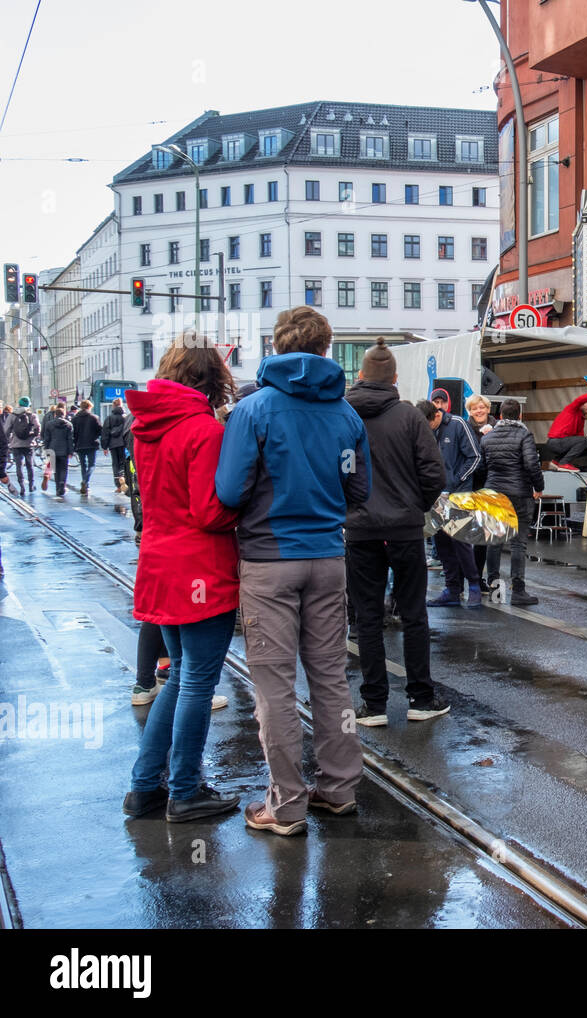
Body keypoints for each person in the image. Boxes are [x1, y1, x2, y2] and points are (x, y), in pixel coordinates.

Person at [216, 306, 370, 836]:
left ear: (276, 346)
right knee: (330, 675)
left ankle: (285, 806)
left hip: (268, 561)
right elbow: (358, 489)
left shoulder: (254, 410)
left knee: (274, 685)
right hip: (328, 559)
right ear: (327, 350)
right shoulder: (346, 415)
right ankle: (340, 789)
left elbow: (230, 491)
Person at [122, 336, 242, 822]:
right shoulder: (202, 430)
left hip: (158, 562)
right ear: (212, 378)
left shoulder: (146, 425)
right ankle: (186, 790)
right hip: (199, 568)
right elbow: (210, 512)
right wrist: (244, 496)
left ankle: (146, 785)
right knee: (195, 681)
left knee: (177, 679)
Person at [344, 339, 447, 727]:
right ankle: (421, 698)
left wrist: (349, 509)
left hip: (359, 530)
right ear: (396, 379)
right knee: (413, 612)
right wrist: (413, 507)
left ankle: (374, 704)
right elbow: (434, 474)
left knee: (367, 617)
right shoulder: (409, 417)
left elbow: (334, 470)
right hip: (404, 530)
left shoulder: (343, 415)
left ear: (360, 376)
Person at [481, 398, 545, 606]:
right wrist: (539, 486)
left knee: (495, 541)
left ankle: (494, 588)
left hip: (494, 493)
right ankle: (518, 591)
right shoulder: (524, 434)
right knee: (518, 542)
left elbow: (483, 466)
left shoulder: (488, 438)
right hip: (519, 494)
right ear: (519, 416)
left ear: (500, 416)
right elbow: (531, 464)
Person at [427, 387, 485, 608]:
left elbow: (475, 456)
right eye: (435, 401)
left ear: (446, 406)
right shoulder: (428, 426)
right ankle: (452, 589)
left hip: (459, 495)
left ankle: (474, 587)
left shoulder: (458, 424)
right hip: (437, 497)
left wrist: (458, 480)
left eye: (442, 401)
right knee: (442, 544)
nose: (439, 404)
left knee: (461, 542)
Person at [465, 393, 497, 583]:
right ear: (470, 411)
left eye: (482, 407)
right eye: (475, 408)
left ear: (488, 409)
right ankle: (460, 578)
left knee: (483, 538)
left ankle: (477, 578)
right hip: (469, 486)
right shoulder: (465, 429)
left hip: (489, 486)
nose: (479, 411)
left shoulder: (497, 428)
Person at [4, 397, 39, 495]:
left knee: (19, 466)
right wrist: (33, 436)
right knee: (30, 465)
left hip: (15, 444)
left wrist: (7, 441)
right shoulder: (32, 415)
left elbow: (6, 429)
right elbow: (37, 427)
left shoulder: (12, 415)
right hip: (29, 444)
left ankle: (22, 486)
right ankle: (31, 485)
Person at [42, 405, 75, 499]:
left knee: (55, 470)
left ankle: (57, 488)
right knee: (64, 469)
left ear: (55, 414)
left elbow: (47, 439)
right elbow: (70, 439)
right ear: (64, 414)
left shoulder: (49, 424)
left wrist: (46, 449)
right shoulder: (68, 425)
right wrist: (71, 451)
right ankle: (62, 485)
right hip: (64, 450)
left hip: (52, 449)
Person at [71, 399, 102, 495]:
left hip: (79, 445)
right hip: (92, 444)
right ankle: (85, 481)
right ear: (89, 407)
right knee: (92, 465)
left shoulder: (75, 418)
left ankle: (86, 484)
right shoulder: (94, 417)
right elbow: (100, 430)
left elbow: (73, 433)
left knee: (83, 465)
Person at [101, 397, 130, 493]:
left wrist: (104, 447)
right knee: (124, 463)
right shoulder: (126, 417)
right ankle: (123, 477)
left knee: (115, 464)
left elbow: (105, 433)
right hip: (124, 443)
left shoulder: (109, 418)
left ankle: (118, 485)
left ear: (113, 406)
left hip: (113, 444)